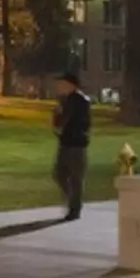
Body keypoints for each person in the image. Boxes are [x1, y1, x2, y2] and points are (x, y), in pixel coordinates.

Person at [52, 71, 92, 221]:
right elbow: (60, 120)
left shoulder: (81, 101)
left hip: (77, 144)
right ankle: (72, 201)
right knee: (59, 174)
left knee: (76, 177)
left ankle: (75, 209)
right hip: (65, 142)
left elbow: (81, 123)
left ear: (70, 84)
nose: (59, 86)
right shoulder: (65, 100)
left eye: (61, 83)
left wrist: (63, 120)